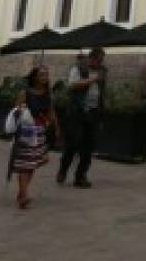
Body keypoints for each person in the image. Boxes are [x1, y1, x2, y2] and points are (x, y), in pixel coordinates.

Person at [7, 67, 61, 210]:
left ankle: (21, 192)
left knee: (34, 162)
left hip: (40, 132)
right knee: (26, 163)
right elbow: (16, 111)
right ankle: (24, 195)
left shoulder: (47, 94)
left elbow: (51, 112)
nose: (45, 77)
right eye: (42, 74)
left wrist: (56, 127)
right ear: (35, 77)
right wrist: (23, 112)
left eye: (46, 74)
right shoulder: (25, 93)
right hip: (26, 132)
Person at [57, 48, 106, 188]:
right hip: (77, 112)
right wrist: (92, 79)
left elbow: (102, 90)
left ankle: (80, 176)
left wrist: (101, 113)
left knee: (88, 146)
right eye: (99, 60)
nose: (100, 63)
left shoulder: (102, 71)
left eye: (102, 60)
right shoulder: (78, 68)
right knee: (72, 144)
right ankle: (63, 169)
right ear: (91, 58)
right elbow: (72, 84)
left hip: (93, 112)